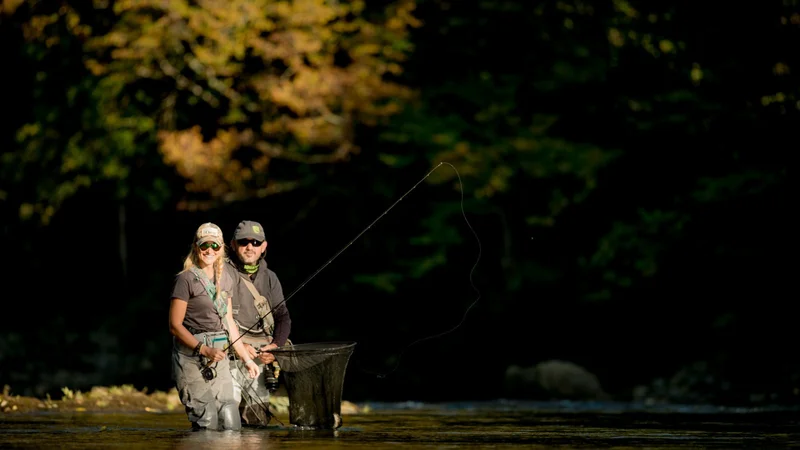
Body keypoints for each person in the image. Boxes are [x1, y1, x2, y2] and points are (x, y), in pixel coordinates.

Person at [169, 222, 261, 431]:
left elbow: (229, 322)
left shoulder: (226, 279)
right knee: (207, 418)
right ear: (196, 247)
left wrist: (247, 360)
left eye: (215, 246)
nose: (209, 250)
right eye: (204, 245)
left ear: (221, 249)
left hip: (219, 355)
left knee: (230, 417)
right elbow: (174, 326)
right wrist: (203, 349)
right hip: (191, 356)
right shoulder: (185, 280)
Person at [226, 220, 292, 426]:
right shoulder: (222, 274)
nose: (250, 247)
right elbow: (215, 319)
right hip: (228, 357)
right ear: (233, 244)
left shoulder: (270, 278)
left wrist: (275, 347)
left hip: (261, 359)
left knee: (256, 424)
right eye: (244, 241)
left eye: (255, 242)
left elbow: (283, 318)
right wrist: (240, 347)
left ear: (264, 246)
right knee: (226, 425)